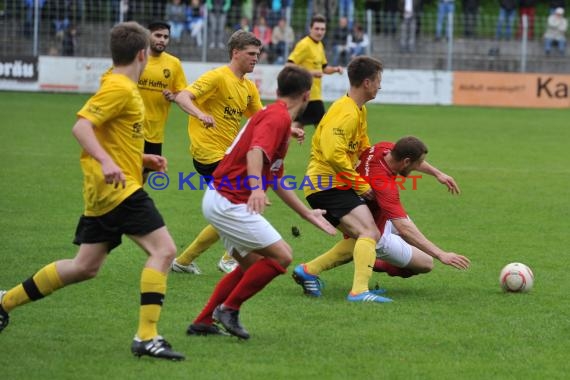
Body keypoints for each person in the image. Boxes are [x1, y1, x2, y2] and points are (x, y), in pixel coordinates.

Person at [0, 22, 184, 361]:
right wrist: (106, 162)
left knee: (85, 266)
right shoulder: (120, 89)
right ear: (143, 54)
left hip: (105, 191)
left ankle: (4, 302)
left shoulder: (117, 84)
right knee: (165, 250)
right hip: (119, 189)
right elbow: (81, 127)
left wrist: (142, 157)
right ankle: (147, 336)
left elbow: (109, 134)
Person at [186, 66, 337, 339]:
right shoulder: (277, 118)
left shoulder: (277, 118)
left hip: (222, 199)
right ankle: (228, 309)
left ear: (278, 90)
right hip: (228, 200)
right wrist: (256, 189)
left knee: (252, 266)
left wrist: (306, 213)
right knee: (282, 256)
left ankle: (204, 321)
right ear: (307, 95)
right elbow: (256, 151)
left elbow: (277, 178)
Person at [293, 137, 471, 298]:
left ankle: (319, 268)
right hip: (373, 221)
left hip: (372, 212)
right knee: (426, 263)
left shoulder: (383, 148)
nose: (419, 167)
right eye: (418, 164)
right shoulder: (384, 185)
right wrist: (442, 254)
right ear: (406, 161)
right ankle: (366, 265)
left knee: (365, 240)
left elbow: (412, 158)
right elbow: (404, 228)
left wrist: (438, 173)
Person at [292, 56, 389, 303]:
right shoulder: (345, 113)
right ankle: (359, 291)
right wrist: (361, 185)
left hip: (334, 184)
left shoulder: (359, 110)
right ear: (367, 82)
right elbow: (333, 154)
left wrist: (383, 167)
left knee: (362, 237)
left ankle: (308, 270)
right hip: (326, 184)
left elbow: (364, 148)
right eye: (378, 81)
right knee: (369, 231)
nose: (380, 86)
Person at [170, 30, 263, 275]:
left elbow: (260, 119)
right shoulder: (217, 77)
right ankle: (228, 258)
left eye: (258, 54)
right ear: (235, 53)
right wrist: (200, 114)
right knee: (241, 203)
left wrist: (288, 130)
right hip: (208, 153)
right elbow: (182, 97)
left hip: (226, 154)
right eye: (251, 54)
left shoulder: (248, 87)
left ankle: (184, 261)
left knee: (236, 205)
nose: (256, 58)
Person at [139, 21, 187, 182]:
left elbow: (181, 92)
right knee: (130, 170)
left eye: (166, 37)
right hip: (132, 127)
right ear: (148, 36)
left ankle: (130, 203)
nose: (162, 40)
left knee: (144, 174)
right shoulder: (136, 58)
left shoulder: (174, 64)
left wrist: (173, 97)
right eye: (158, 35)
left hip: (155, 131)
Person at [287, 14, 343, 135]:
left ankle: (277, 147)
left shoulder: (319, 45)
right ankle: (326, 152)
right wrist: (311, 73)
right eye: (317, 28)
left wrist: (335, 69)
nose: (319, 32)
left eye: (322, 29)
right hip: (307, 94)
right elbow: (289, 66)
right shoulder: (304, 44)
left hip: (313, 94)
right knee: (323, 128)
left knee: (297, 126)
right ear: (310, 28)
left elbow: (324, 68)